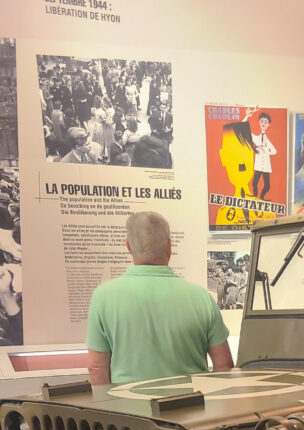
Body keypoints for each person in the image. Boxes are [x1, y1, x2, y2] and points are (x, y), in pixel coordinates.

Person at [86, 211, 233, 385]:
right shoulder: (201, 297)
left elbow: (97, 367)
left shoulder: (103, 297)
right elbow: (224, 365)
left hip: (128, 409)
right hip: (191, 408)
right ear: (170, 246)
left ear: (128, 246)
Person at [252, 112, 276, 200]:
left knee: (267, 185)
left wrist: (265, 151)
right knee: (254, 183)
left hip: (266, 166)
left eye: (265, 122)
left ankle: (262, 197)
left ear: (268, 125)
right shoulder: (256, 138)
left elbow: (274, 151)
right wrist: (257, 147)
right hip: (258, 165)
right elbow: (242, 129)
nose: (263, 123)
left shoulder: (267, 140)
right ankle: (255, 196)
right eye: (262, 121)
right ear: (259, 122)